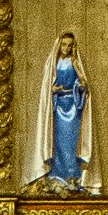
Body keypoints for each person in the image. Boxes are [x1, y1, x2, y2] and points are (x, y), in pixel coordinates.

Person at [25, 27, 98, 191]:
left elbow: (83, 84)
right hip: (57, 109)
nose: (66, 48)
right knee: (58, 143)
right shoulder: (52, 63)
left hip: (73, 108)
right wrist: (52, 90)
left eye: (70, 45)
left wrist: (80, 86)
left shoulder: (75, 63)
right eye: (64, 45)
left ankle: (73, 176)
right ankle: (56, 175)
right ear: (59, 45)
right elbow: (46, 87)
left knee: (71, 143)